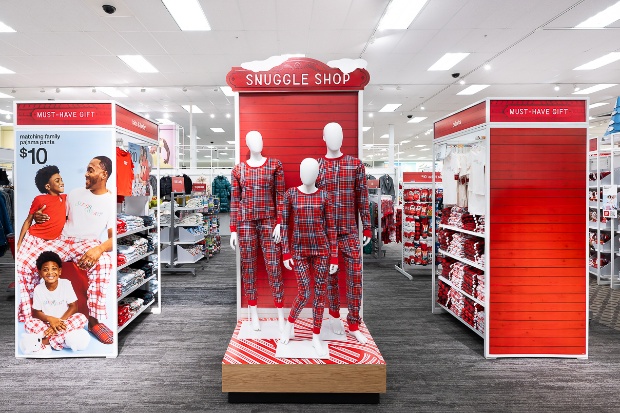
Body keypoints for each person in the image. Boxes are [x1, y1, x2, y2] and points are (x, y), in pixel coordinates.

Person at [18, 156, 115, 345]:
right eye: (86, 169)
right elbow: (56, 212)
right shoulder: (75, 193)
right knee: (26, 263)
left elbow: (114, 238)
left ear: (104, 174)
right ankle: (34, 318)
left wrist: (99, 248)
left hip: (87, 242)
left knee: (104, 262)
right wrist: (39, 216)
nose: (85, 174)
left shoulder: (110, 201)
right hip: (62, 239)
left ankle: (94, 322)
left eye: (90, 170)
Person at [316, 122, 372, 344]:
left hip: (349, 231)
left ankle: (355, 322)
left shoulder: (355, 165)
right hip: (326, 233)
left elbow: (363, 197)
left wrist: (366, 225)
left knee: (355, 278)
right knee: (330, 279)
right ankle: (334, 316)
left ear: (343, 137)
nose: (334, 138)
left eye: (338, 134)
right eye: (329, 134)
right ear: (323, 137)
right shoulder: (317, 165)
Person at [279, 158, 338, 356]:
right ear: (300, 171)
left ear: (318, 173)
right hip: (299, 251)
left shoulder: (325, 196)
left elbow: (331, 227)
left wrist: (334, 257)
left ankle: (315, 335)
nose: (307, 174)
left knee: (320, 294)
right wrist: (286, 252)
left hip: (322, 250)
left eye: (312, 171)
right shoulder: (291, 194)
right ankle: (289, 324)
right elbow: (284, 225)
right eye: (304, 170)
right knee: (304, 292)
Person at [230, 130, 286, 331]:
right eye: (253, 140)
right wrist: (233, 229)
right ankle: (253, 310)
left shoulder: (274, 165)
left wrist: (280, 221)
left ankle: (280, 312)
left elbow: (280, 195)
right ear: (246, 144)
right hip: (245, 222)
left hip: (269, 221)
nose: (258, 143)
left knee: (274, 266)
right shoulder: (238, 170)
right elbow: (235, 201)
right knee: (249, 266)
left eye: (260, 138)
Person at [24, 251, 88, 351]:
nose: (50, 273)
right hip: (46, 324)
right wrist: (51, 319)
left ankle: (46, 340)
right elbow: (36, 313)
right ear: (40, 273)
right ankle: (59, 340)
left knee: (81, 317)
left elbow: (74, 307)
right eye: (45, 270)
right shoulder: (38, 289)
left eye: (54, 269)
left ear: (59, 271)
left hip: (64, 322)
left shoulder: (66, 284)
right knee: (29, 323)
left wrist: (59, 322)